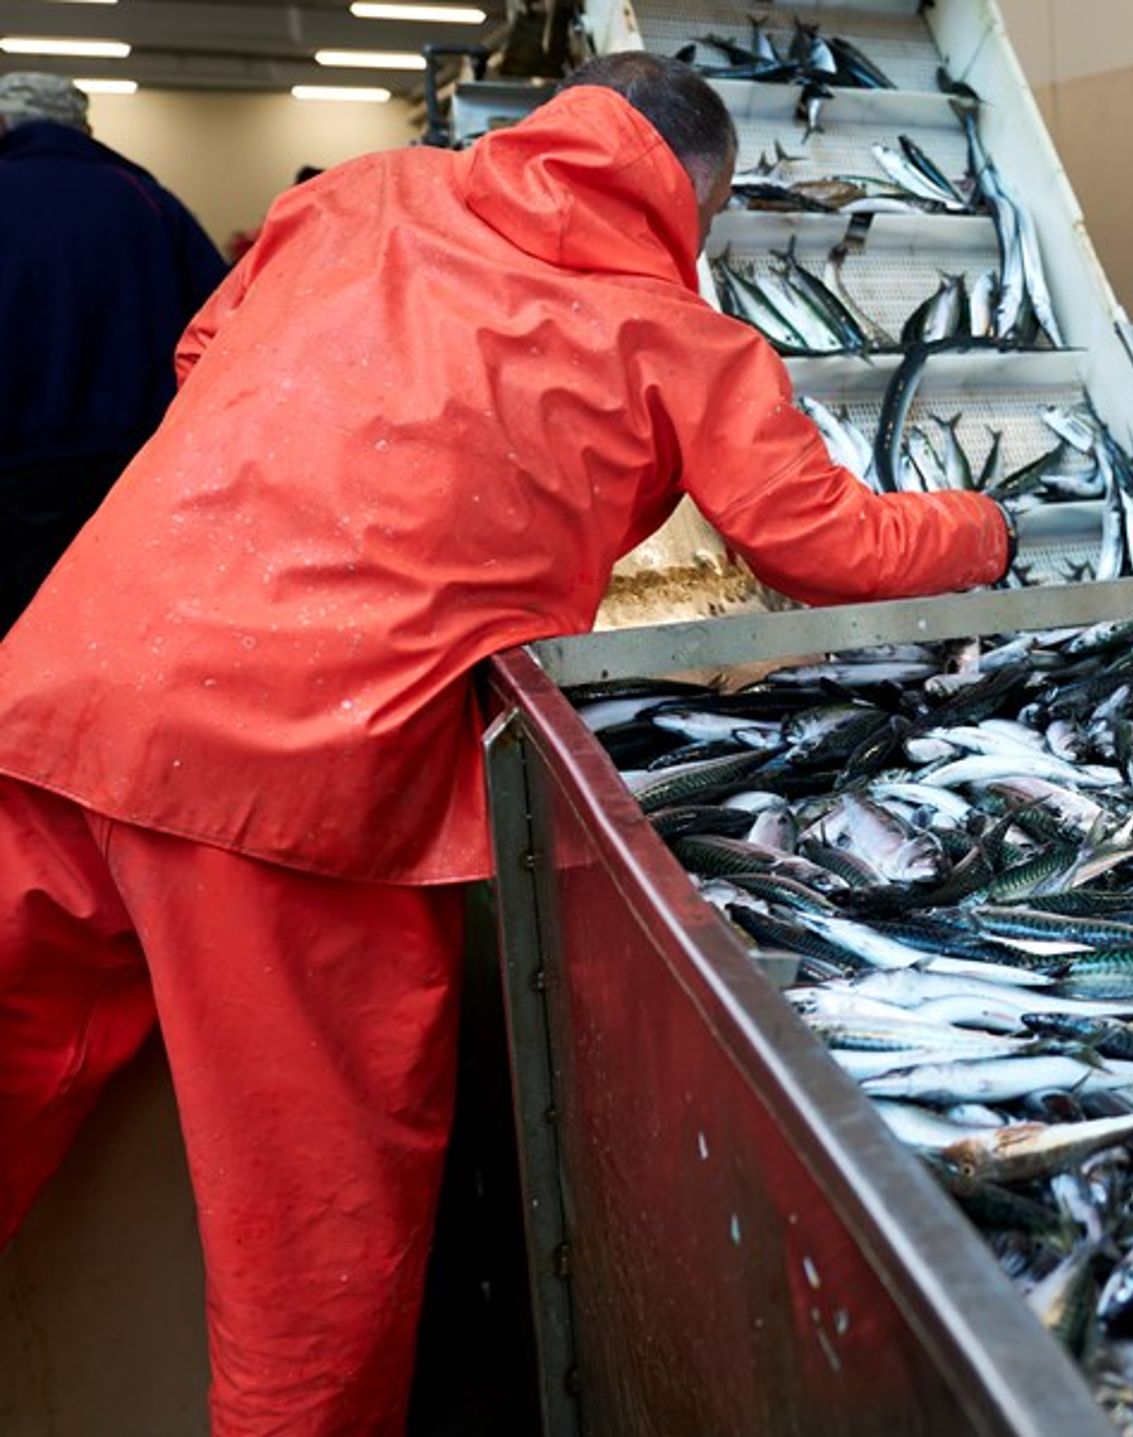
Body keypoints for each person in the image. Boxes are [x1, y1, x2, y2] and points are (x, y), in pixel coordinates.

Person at [0, 53, 1010, 1436]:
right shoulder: (679, 336)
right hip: (301, 781)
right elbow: (829, 552)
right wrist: (984, 530)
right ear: (692, 195)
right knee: (314, 1245)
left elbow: (202, 357)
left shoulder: (362, 194)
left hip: (63, 689)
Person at [0, 71, 227, 634]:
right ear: (83, 127)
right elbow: (225, 327)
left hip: (10, 473)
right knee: (109, 630)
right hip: (131, 470)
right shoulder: (148, 198)